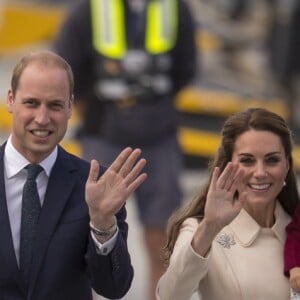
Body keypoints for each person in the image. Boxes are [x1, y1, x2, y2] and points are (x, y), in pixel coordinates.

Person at [53, 0, 197, 299]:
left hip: (159, 138)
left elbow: (186, 67)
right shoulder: (87, 11)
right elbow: (65, 68)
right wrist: (95, 110)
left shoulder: (175, 9)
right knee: (85, 235)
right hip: (103, 134)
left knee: (163, 238)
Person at [0, 50, 147, 300]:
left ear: (70, 107)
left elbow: (114, 288)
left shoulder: (96, 184)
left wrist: (102, 223)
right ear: (11, 100)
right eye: (32, 103)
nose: (42, 118)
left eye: (55, 105)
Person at [156, 107, 300, 300]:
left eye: (272, 160)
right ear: (227, 166)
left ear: (287, 166)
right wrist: (209, 228)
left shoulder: (294, 228)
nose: (260, 172)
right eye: (247, 161)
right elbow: (169, 296)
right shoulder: (201, 230)